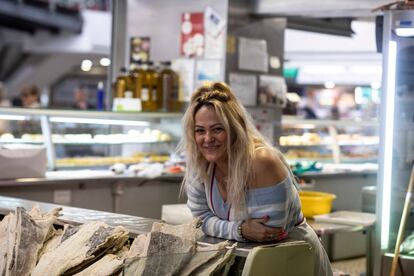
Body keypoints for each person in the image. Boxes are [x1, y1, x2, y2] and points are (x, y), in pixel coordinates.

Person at [180, 82, 333, 276]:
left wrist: (221, 228)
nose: (207, 138)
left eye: (217, 129)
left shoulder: (261, 162)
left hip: (292, 257)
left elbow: (269, 233)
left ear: (235, 129)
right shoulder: (199, 161)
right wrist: (240, 230)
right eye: (200, 130)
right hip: (244, 260)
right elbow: (201, 221)